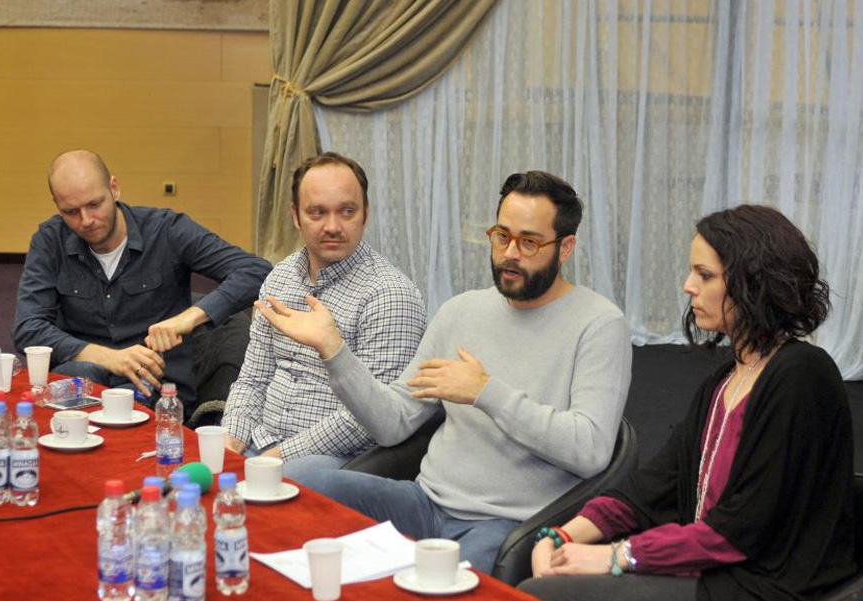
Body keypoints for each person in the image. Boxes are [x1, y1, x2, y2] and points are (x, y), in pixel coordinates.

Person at [256, 171, 632, 573]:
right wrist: (334, 351)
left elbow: (591, 451)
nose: (510, 253)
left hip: (506, 524)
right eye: (502, 236)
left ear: (565, 247)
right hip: (424, 503)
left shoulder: (599, 324)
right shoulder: (461, 311)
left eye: (529, 242)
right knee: (299, 490)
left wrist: (486, 392)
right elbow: (394, 423)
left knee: (445, 588)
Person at [518, 205, 854, 601]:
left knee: (548, 593)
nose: (688, 286)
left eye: (705, 275)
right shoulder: (725, 381)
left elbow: (742, 531)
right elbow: (651, 487)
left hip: (762, 584)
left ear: (754, 282)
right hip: (716, 568)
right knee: (544, 583)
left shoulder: (802, 373)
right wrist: (561, 535)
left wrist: (615, 556)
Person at [12, 149, 271, 414]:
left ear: (114, 189)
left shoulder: (167, 230)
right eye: (71, 212)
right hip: (84, 376)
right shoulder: (50, 240)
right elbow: (28, 328)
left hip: (158, 385)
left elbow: (256, 271)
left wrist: (189, 318)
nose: (86, 220)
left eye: (94, 204)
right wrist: (110, 357)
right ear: (57, 205)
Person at [220, 152, 425, 482]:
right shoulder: (280, 278)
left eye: (347, 211)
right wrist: (231, 440)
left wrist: (275, 458)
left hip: (335, 463)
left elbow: (369, 419)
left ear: (366, 213)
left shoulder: (390, 295)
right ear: (296, 216)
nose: (332, 226)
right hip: (260, 442)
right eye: (318, 212)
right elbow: (253, 379)